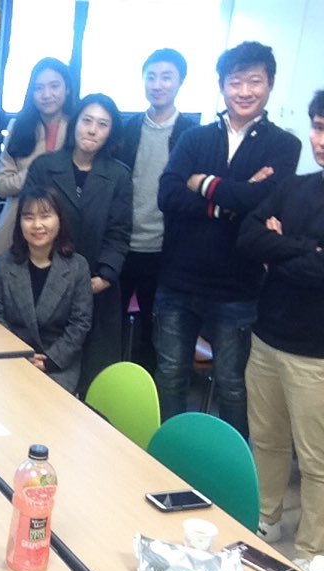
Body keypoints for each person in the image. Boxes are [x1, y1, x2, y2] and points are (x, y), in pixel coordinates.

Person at [156, 41, 302, 437]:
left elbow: (263, 200)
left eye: (255, 81)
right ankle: (170, 453)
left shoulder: (284, 145)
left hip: (238, 289)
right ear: (222, 85)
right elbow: (167, 195)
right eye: (235, 82)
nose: (244, 91)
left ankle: (235, 464)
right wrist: (230, 202)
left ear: (270, 84)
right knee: (170, 375)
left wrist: (203, 183)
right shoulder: (194, 138)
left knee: (234, 385)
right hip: (178, 281)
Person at [237, 90, 324, 558]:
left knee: (316, 459)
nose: (319, 139)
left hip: (316, 353)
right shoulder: (295, 187)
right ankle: (267, 517)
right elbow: (249, 238)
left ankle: (313, 550)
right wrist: (303, 248)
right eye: (318, 127)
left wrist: (280, 249)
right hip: (268, 336)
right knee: (267, 439)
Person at [26, 93, 133, 393]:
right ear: (75, 123)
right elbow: (29, 221)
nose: (92, 130)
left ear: (111, 132)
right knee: (44, 372)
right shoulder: (44, 167)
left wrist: (104, 276)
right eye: (87, 120)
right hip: (45, 279)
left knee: (93, 378)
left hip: (97, 285)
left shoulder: (119, 175)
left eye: (102, 124)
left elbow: (120, 232)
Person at [115, 49, 197, 371]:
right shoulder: (127, 128)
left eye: (166, 77)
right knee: (109, 325)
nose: (157, 84)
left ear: (180, 82)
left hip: (165, 250)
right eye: (151, 77)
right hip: (122, 244)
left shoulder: (192, 134)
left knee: (156, 332)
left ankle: (145, 394)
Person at [0, 186, 93, 392]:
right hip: (12, 356)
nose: (37, 225)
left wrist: (49, 361)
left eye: (45, 216)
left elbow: (80, 324)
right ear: (20, 222)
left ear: (59, 220)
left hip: (58, 363)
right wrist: (19, 354)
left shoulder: (77, 267)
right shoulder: (4, 264)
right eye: (28, 217)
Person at [0, 58, 76, 276]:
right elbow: (1, 186)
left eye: (54, 86)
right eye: (39, 88)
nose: (47, 94)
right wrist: (38, 169)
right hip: (17, 224)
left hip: (65, 228)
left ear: (67, 89)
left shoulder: (78, 127)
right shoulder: (19, 127)